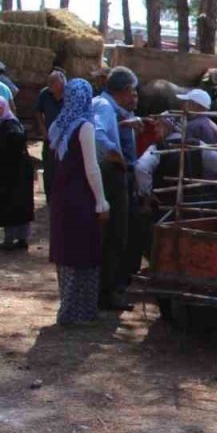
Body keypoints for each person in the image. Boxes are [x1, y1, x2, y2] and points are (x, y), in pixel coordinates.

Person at [48, 79, 110, 325]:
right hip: (80, 197)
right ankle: (79, 313)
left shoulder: (59, 124)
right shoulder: (84, 126)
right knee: (83, 252)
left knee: (66, 253)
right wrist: (101, 201)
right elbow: (92, 167)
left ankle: (68, 307)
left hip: (61, 196)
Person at [92, 66, 140, 312]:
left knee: (114, 234)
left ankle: (106, 289)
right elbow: (98, 134)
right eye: (133, 91)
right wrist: (116, 155)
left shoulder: (106, 105)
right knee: (115, 234)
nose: (134, 95)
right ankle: (108, 292)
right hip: (111, 174)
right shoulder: (103, 106)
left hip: (109, 173)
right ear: (125, 89)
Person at [0, 95, 35, 251]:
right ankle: (14, 239)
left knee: (14, 205)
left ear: (4, 109)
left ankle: (16, 240)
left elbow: (18, 138)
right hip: (6, 173)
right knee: (11, 205)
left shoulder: (10, 125)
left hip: (15, 174)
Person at [35, 69, 66, 200]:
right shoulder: (45, 94)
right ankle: (50, 198)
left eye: (53, 82)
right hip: (49, 137)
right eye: (49, 82)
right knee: (49, 168)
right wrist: (43, 129)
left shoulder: (70, 95)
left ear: (61, 83)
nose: (50, 85)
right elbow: (37, 111)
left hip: (65, 139)